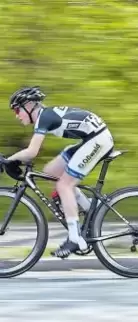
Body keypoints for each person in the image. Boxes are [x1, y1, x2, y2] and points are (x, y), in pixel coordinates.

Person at [6, 86, 114, 258]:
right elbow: (34, 151)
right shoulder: (45, 116)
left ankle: (75, 238)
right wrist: (12, 160)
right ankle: (90, 207)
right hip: (90, 138)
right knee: (51, 171)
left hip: (98, 140)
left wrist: (8, 160)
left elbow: (32, 151)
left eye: (18, 110)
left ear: (29, 105)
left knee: (64, 185)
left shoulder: (44, 117)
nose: (17, 115)